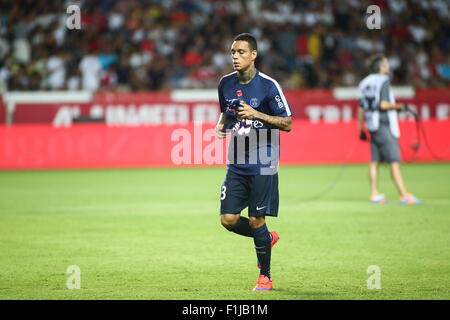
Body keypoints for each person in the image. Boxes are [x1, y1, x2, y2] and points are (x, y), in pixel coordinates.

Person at [215, 33, 293, 291]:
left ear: (253, 55)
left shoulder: (269, 85)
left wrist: (257, 113)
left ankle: (265, 277)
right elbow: (227, 110)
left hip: (264, 162)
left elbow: (288, 123)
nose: (235, 57)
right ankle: (266, 238)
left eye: (240, 52)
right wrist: (221, 124)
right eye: (233, 53)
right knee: (227, 219)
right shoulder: (225, 83)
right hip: (236, 162)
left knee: (257, 219)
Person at [358, 53, 422, 204]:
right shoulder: (383, 81)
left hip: (372, 125)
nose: (388, 66)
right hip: (384, 124)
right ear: (380, 67)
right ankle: (404, 195)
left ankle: (374, 194)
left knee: (374, 161)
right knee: (394, 160)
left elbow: (361, 108)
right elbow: (384, 105)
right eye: (386, 64)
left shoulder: (365, 82)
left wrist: (361, 128)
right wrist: (402, 106)